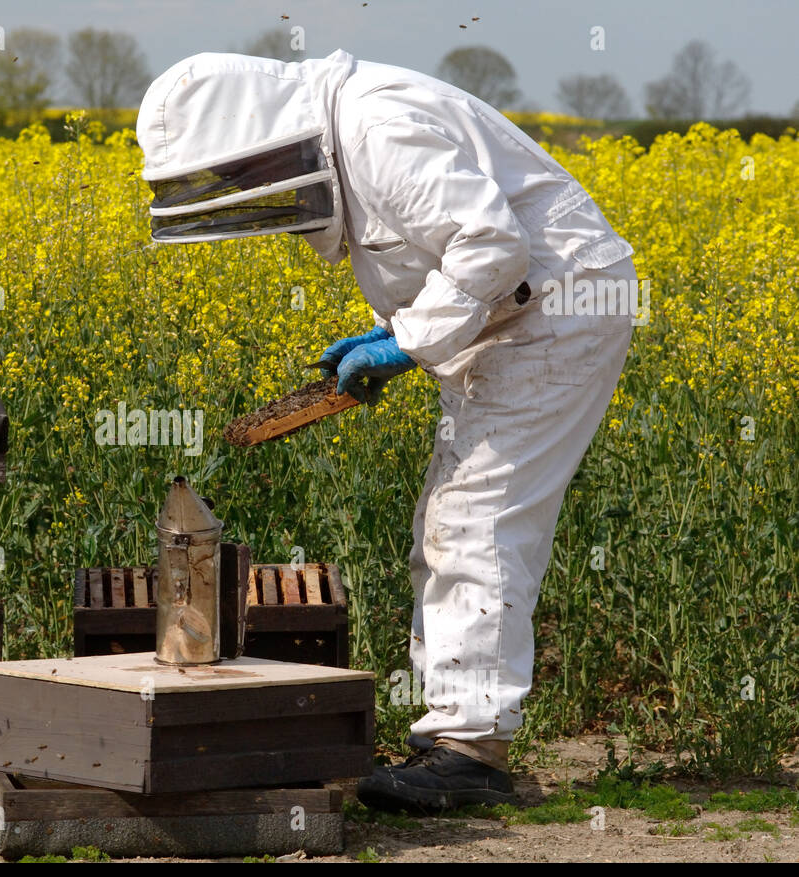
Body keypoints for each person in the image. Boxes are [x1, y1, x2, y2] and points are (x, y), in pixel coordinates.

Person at [137, 50, 636, 812]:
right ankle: (456, 737)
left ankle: (471, 752)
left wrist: (405, 343)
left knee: (476, 519)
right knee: (447, 523)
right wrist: (389, 330)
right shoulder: (348, 134)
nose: (243, 193)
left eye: (239, 175)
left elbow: (492, 246)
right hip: (520, 315)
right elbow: (433, 252)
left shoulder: (376, 127)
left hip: (558, 313)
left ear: (261, 137)